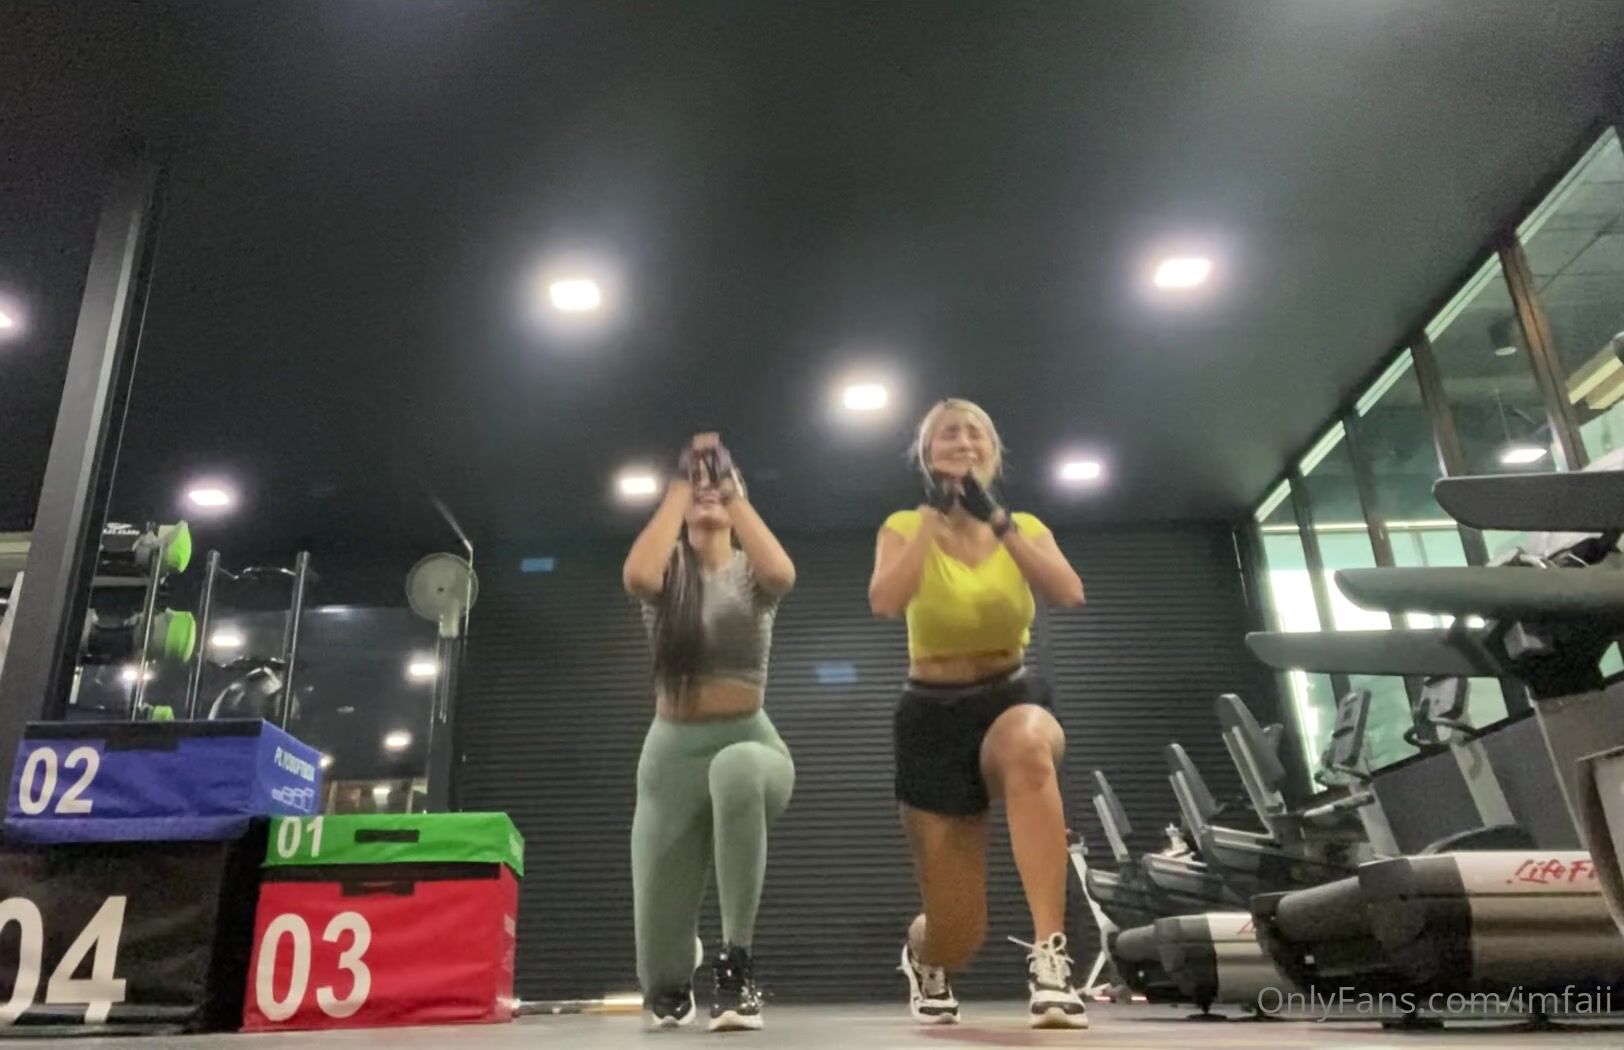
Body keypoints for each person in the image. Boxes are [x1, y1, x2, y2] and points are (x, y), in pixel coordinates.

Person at [867, 398, 1090, 1029]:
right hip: (931, 715)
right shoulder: (902, 525)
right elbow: (886, 600)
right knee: (957, 935)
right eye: (947, 434)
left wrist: (1000, 522)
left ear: (992, 452)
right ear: (927, 455)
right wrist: (930, 522)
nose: (963, 441)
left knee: (1027, 745)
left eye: (975, 433)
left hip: (1009, 695)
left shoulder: (1024, 527)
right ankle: (924, 955)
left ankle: (1050, 956)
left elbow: (1067, 591)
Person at [622, 432, 797, 1032]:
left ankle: (736, 963)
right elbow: (635, 574)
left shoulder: (752, 575)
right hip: (670, 760)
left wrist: (730, 490)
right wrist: (682, 485)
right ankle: (677, 964)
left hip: (750, 742)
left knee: (736, 769)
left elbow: (783, 572)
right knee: (660, 984)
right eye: (695, 486)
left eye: (717, 485)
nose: (707, 492)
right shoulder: (666, 574)